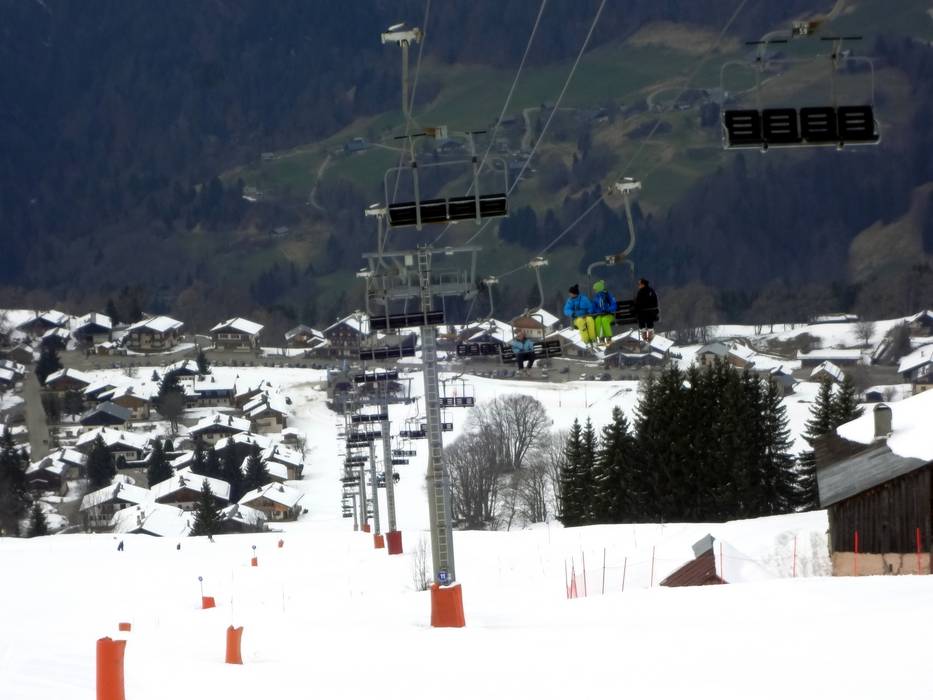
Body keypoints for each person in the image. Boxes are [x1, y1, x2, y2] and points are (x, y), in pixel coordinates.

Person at [591, 280, 617, 347]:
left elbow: (614, 304)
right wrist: (598, 311)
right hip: (601, 315)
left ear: (599, 288)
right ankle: (601, 338)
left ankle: (608, 338)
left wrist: (608, 310)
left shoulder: (607, 295)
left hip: (609, 315)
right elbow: (594, 307)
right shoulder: (596, 297)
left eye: (595, 289)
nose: (594, 291)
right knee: (598, 320)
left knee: (604, 320)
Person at [634, 277, 660, 342]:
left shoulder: (640, 292)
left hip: (643, 313)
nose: (638, 285)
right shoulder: (651, 291)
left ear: (643, 284)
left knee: (641, 318)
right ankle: (650, 333)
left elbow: (637, 303)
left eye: (639, 284)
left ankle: (644, 334)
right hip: (651, 313)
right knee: (649, 319)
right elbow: (655, 302)